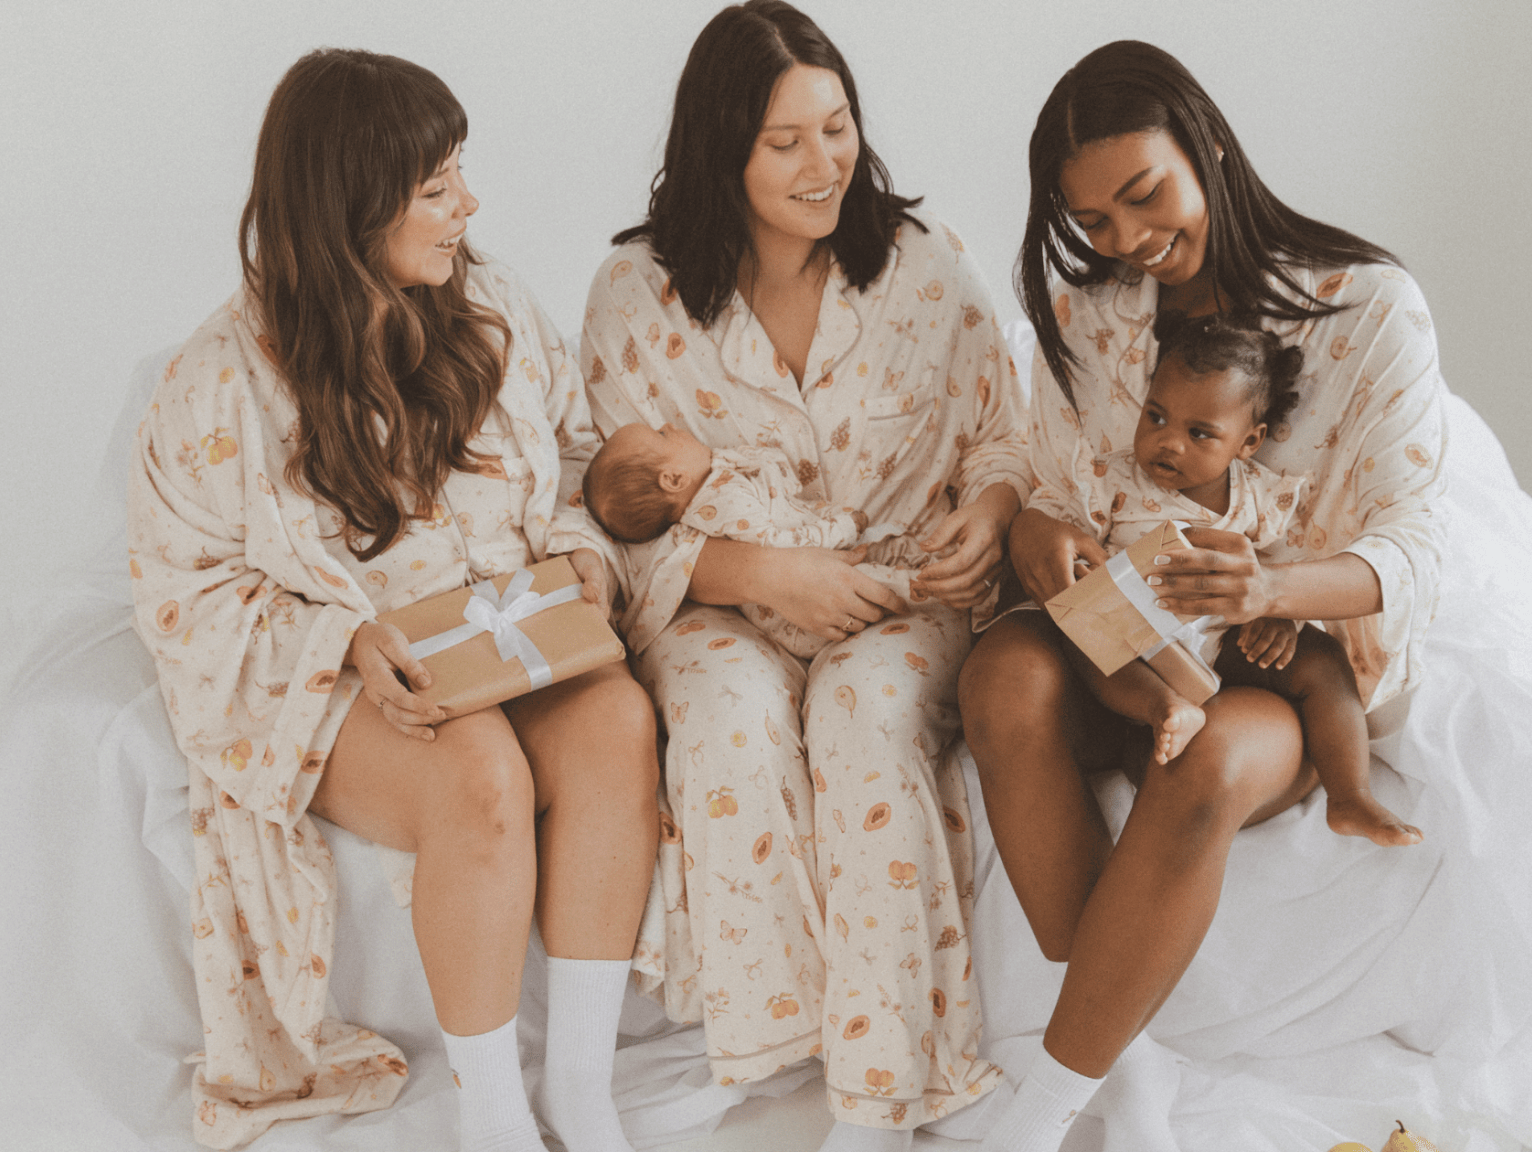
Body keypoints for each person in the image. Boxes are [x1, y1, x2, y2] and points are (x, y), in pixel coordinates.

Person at [127, 49, 658, 1152]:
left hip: (513, 638)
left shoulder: (494, 303)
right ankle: (495, 1116)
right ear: (351, 205)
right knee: (478, 770)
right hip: (363, 678)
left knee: (614, 720)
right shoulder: (219, 380)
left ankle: (579, 1091)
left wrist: (580, 562)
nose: (469, 204)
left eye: (459, 174)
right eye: (435, 188)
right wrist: (345, 642)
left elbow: (570, 459)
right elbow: (190, 595)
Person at [956, 40, 1446, 1152]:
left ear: (1207, 144)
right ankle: (1121, 1066)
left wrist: (1272, 581)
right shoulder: (1093, 315)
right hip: (1119, 636)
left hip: (1275, 654)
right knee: (999, 674)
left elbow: (1412, 545)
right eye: (1091, 223)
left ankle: (1037, 1117)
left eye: (1142, 196)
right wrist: (1039, 532)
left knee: (1209, 757)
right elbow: (1041, 479)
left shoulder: (1368, 311)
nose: (1127, 242)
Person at [580, 3, 1030, 1148]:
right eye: (784, 141)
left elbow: (1005, 440)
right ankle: (779, 1048)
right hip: (714, 592)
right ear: (719, 145)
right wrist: (756, 572)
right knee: (725, 719)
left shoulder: (924, 271)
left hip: (897, 589)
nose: (822, 163)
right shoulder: (633, 294)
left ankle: (882, 1094)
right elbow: (599, 512)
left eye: (836, 129)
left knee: (860, 718)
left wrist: (986, 512)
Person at [1055, 311, 1422, 846]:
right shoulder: (1109, 480)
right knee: (1083, 638)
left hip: (1228, 640)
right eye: (1155, 417)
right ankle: (1164, 713)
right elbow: (1077, 548)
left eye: (1199, 433)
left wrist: (1285, 619)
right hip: (1142, 645)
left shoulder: (1261, 496)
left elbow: (1285, 568)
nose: (1168, 442)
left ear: (1248, 443)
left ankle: (1351, 796)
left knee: (1323, 661)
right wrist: (1085, 568)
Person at [581, 421, 930, 657]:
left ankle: (910, 562)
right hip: (809, 602)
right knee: (884, 578)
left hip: (821, 572)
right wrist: (844, 526)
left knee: (885, 546)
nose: (671, 425)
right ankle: (923, 581)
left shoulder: (711, 495)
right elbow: (783, 549)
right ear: (673, 479)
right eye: (661, 434)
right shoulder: (722, 502)